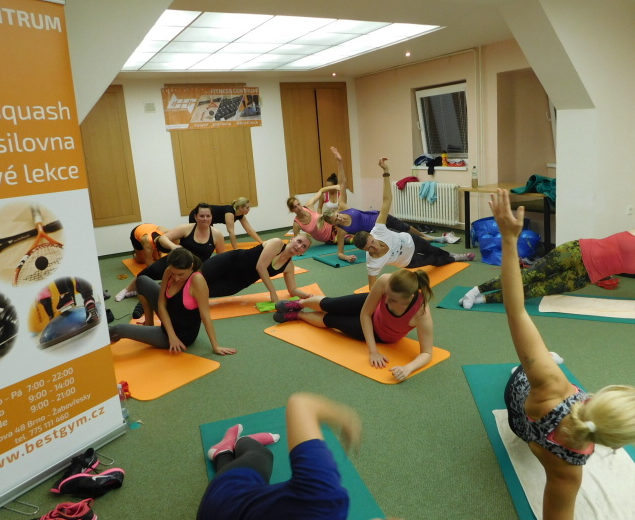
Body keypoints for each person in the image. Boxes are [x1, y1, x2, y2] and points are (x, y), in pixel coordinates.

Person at [491, 188, 635, 520]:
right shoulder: (569, 467)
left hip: (522, 395)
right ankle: (542, 361)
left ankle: (541, 359)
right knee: (545, 368)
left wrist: (509, 241)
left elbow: (516, 309)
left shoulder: (553, 385)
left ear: (598, 398)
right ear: (613, 445)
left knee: (544, 365)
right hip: (527, 432)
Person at [459, 134, 635, 320]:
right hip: (577, 251)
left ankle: (484, 300)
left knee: (535, 290)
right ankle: (477, 289)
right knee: (530, 275)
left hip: (585, 276)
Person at [196, 392, 425, 520]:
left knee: (261, 456)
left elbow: (301, 404)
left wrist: (345, 416)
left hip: (218, 511)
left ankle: (226, 449)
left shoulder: (323, 497)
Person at [274, 268, 434, 381]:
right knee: (330, 304)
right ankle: (299, 304)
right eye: (386, 295)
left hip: (380, 333)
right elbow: (366, 313)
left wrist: (408, 368)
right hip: (369, 310)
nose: (386, 302)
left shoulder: (421, 314)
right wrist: (372, 351)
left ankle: (298, 315)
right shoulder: (386, 281)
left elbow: (427, 353)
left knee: (331, 319)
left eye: (392, 300)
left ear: (408, 298)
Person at [352, 158, 474, 288]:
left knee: (433, 249)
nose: (374, 247)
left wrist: (386, 171)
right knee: (433, 260)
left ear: (371, 235)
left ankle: (450, 255)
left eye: (372, 242)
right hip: (408, 260)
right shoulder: (373, 263)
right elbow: (372, 286)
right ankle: (457, 257)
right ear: (364, 250)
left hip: (411, 240)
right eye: (369, 248)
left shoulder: (378, 230)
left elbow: (387, 200)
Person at [323, 147, 458, 263]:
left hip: (380, 216)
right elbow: (339, 252)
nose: (340, 218)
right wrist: (346, 257)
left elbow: (342, 182)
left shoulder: (343, 207)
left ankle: (430, 237)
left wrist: (339, 161)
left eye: (337, 215)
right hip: (378, 231)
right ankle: (431, 240)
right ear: (334, 224)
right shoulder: (341, 231)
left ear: (337, 212)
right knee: (404, 236)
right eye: (336, 220)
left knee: (406, 227)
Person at [109, 248, 236, 356]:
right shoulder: (169, 271)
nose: (176, 278)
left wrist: (216, 346)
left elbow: (205, 315)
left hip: (180, 335)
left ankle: (101, 341)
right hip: (169, 322)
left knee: (119, 329)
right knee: (141, 280)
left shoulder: (197, 280)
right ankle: (149, 322)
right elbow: (161, 304)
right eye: (173, 273)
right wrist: (171, 333)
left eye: (181, 274)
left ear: (191, 266)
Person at [116, 204, 225, 302]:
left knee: (176, 291)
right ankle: (127, 290)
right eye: (202, 216)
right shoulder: (186, 229)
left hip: (195, 268)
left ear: (212, 217)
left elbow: (221, 258)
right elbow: (162, 238)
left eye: (208, 216)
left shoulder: (217, 234)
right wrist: (174, 247)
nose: (205, 219)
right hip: (177, 261)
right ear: (196, 217)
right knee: (148, 273)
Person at [200, 234, 312, 303]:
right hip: (230, 262)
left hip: (238, 282)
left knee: (199, 292)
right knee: (197, 278)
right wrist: (273, 292)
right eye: (299, 241)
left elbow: (292, 290)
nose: (299, 246)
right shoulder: (277, 243)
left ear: (304, 251)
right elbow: (261, 267)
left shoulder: (289, 266)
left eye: (304, 246)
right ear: (292, 239)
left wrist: (307, 296)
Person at [187, 198, 262, 250]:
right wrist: (236, 250)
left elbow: (249, 229)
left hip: (210, 220)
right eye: (247, 207)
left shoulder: (240, 215)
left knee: (209, 235)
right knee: (202, 234)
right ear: (240, 208)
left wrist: (261, 243)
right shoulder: (229, 212)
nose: (249, 209)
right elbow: (231, 232)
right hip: (199, 215)